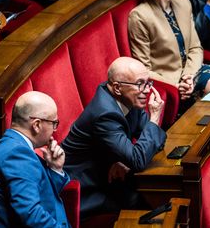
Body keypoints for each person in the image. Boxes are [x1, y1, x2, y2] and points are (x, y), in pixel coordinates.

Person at [61, 57, 167, 218]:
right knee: (146, 202)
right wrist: (154, 118)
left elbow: (156, 143)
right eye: (140, 84)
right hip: (86, 190)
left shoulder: (130, 98)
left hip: (109, 175)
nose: (147, 90)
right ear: (117, 88)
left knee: (157, 196)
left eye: (148, 83)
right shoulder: (105, 114)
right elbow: (139, 159)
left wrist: (127, 161)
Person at [0, 91, 70, 227]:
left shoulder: (12, 145)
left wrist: (55, 169)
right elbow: (32, 216)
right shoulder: (16, 155)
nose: (55, 129)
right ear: (37, 125)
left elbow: (42, 193)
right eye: (54, 123)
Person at [128, 0, 210, 102]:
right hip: (167, 80)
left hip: (191, 71)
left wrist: (189, 76)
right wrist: (176, 85)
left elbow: (195, 47)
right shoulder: (139, 16)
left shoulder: (184, 3)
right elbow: (144, 69)